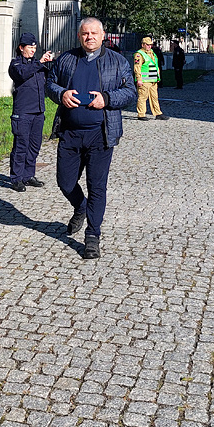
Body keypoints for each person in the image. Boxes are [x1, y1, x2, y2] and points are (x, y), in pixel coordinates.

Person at [47, 17, 136, 259]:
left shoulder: (117, 61)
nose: (90, 37)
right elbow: (50, 83)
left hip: (101, 135)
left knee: (97, 186)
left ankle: (92, 236)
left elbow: (130, 92)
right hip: (70, 133)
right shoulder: (66, 59)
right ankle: (80, 206)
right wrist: (61, 94)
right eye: (85, 33)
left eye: (94, 33)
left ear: (103, 35)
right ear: (79, 36)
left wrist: (106, 99)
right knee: (65, 182)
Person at [7, 32, 52, 193]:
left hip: (38, 111)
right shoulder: (16, 64)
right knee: (21, 145)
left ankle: (28, 175)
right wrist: (40, 62)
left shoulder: (38, 65)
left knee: (34, 145)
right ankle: (16, 178)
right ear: (21, 48)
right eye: (30, 47)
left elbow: (50, 77)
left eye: (34, 47)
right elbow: (22, 74)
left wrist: (51, 63)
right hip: (23, 112)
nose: (33, 50)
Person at [133, 37, 168, 120]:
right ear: (143, 45)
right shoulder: (139, 54)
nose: (149, 46)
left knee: (154, 97)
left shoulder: (152, 53)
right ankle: (141, 114)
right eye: (148, 45)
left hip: (153, 80)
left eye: (150, 45)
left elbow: (156, 66)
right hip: (144, 81)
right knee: (142, 97)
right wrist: (139, 79)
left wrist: (158, 77)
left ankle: (158, 113)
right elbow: (137, 67)